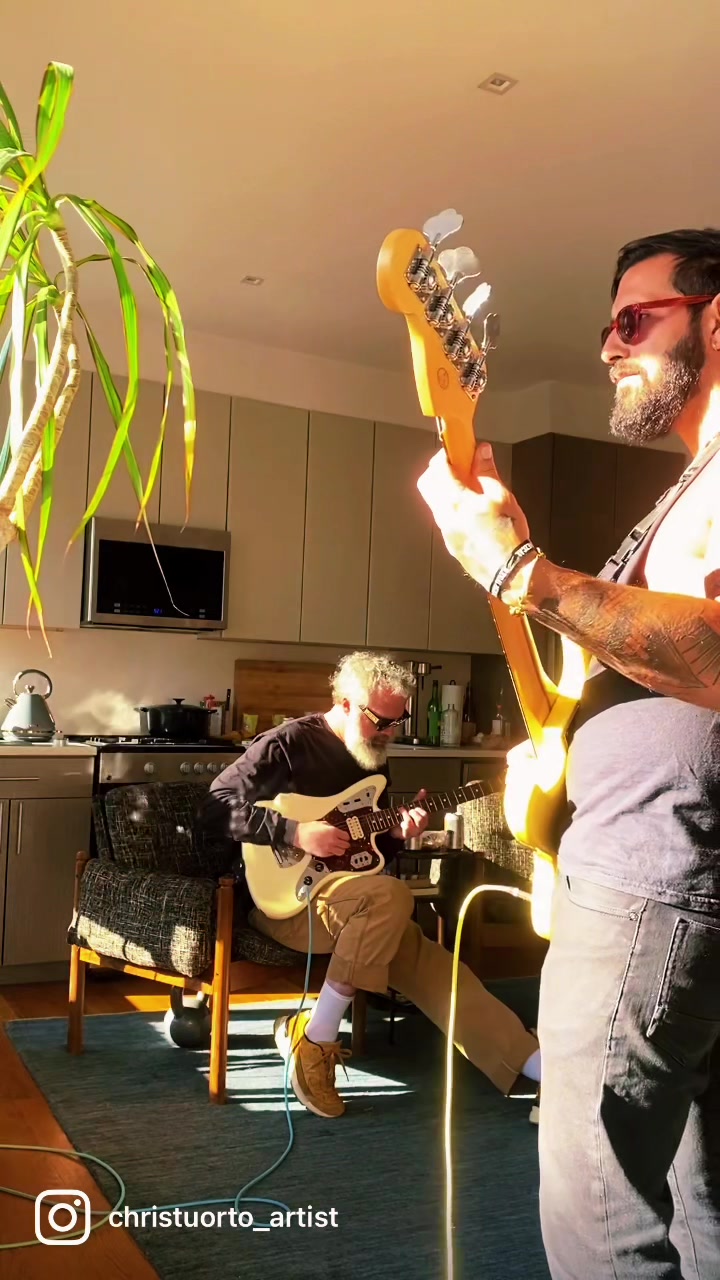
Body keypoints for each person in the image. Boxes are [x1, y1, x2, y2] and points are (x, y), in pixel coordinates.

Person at [416, 227, 720, 1280]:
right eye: (606, 327)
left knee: (597, 1213)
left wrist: (525, 574)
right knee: (699, 1195)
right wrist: (512, 556)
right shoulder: (695, 482)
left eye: (634, 318)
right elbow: (634, 654)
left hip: (657, 880)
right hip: (664, 877)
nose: (607, 345)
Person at [195, 650, 540, 1120]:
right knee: (392, 898)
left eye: (398, 722)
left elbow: (365, 854)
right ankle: (317, 1041)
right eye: (380, 721)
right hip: (285, 903)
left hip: (358, 905)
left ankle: (532, 1064)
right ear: (344, 704)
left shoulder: (372, 760)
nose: (389, 733)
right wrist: (294, 832)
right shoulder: (287, 743)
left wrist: (396, 834)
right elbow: (213, 807)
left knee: (436, 967)